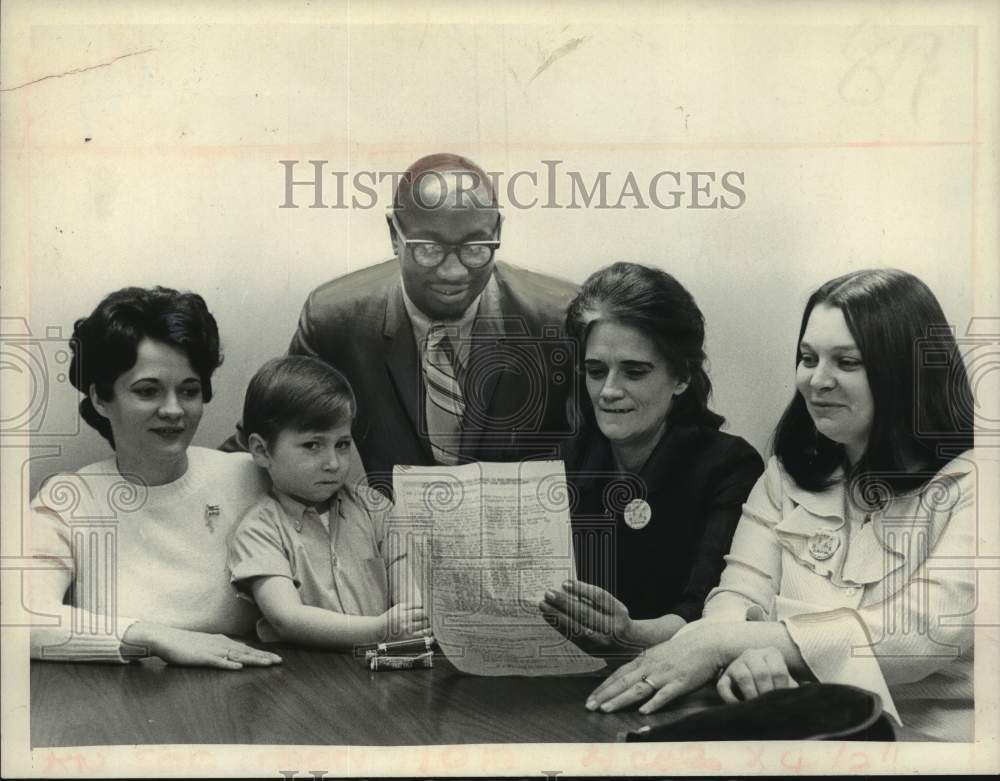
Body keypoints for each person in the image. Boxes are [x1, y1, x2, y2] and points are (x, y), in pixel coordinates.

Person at [584, 269, 977, 742]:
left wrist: (727, 642)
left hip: (932, 747)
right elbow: (736, 595)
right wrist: (743, 655)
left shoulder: (978, 482)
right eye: (808, 358)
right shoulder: (785, 475)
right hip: (797, 733)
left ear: (905, 371)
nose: (817, 380)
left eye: (846, 362)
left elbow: (920, 634)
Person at [234, 153, 578, 490]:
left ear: (498, 229)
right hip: (392, 541)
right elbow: (265, 439)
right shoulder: (335, 320)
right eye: (428, 249)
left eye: (475, 247)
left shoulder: (558, 319)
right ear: (394, 235)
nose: (453, 272)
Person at [28, 287, 282, 669]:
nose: (173, 410)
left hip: (255, 693)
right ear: (100, 398)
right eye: (148, 391)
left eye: (189, 390)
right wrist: (152, 637)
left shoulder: (252, 476)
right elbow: (20, 617)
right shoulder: (71, 499)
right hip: (124, 704)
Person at [539, 262, 764, 654]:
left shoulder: (729, 466)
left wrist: (631, 633)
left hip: (682, 677)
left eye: (634, 372)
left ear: (681, 377)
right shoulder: (561, 463)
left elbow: (710, 613)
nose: (609, 391)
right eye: (596, 371)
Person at [227, 356, 429, 648]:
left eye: (342, 444)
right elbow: (287, 618)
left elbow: (410, 595)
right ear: (261, 450)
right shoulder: (259, 530)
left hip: (385, 664)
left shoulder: (374, 507)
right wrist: (380, 629)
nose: (333, 463)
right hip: (306, 676)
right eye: (312, 445)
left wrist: (412, 622)